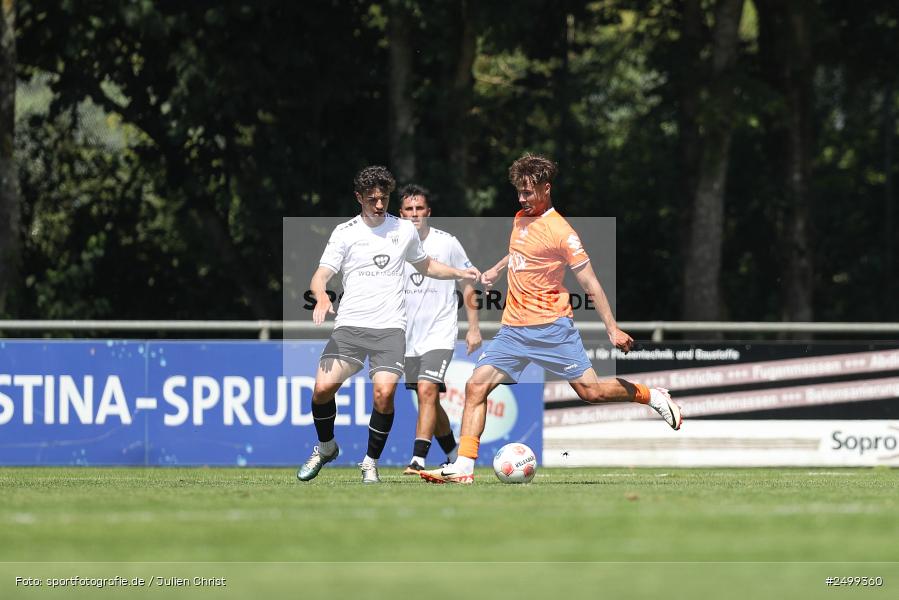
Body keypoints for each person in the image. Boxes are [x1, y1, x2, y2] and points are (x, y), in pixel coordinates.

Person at [420, 154, 682, 485]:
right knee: (476, 387)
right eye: (518, 192)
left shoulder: (562, 232)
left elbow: (589, 282)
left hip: (551, 329)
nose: (521, 198)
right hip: (513, 330)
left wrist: (612, 327)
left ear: (546, 188)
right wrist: (496, 271)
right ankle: (463, 467)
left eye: (528, 192)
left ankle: (651, 395)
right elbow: (519, 252)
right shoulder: (520, 218)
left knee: (592, 392)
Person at [298, 166, 479, 484]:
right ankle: (326, 448)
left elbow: (427, 266)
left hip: (391, 330)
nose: (379, 205)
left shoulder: (403, 230)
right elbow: (321, 275)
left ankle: (370, 462)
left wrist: (460, 273)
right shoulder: (345, 232)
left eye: (384, 199)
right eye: (372, 199)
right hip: (350, 328)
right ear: (359, 198)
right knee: (322, 390)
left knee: (384, 395)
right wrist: (321, 297)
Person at [398, 185, 482, 474]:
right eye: (409, 209)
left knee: (427, 389)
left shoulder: (447, 243)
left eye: (419, 208)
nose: (414, 214)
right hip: (407, 337)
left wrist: (473, 328)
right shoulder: (392, 244)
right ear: (401, 214)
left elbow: (468, 283)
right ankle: (453, 452)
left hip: (440, 332)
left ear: (428, 211)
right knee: (428, 397)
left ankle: (417, 459)